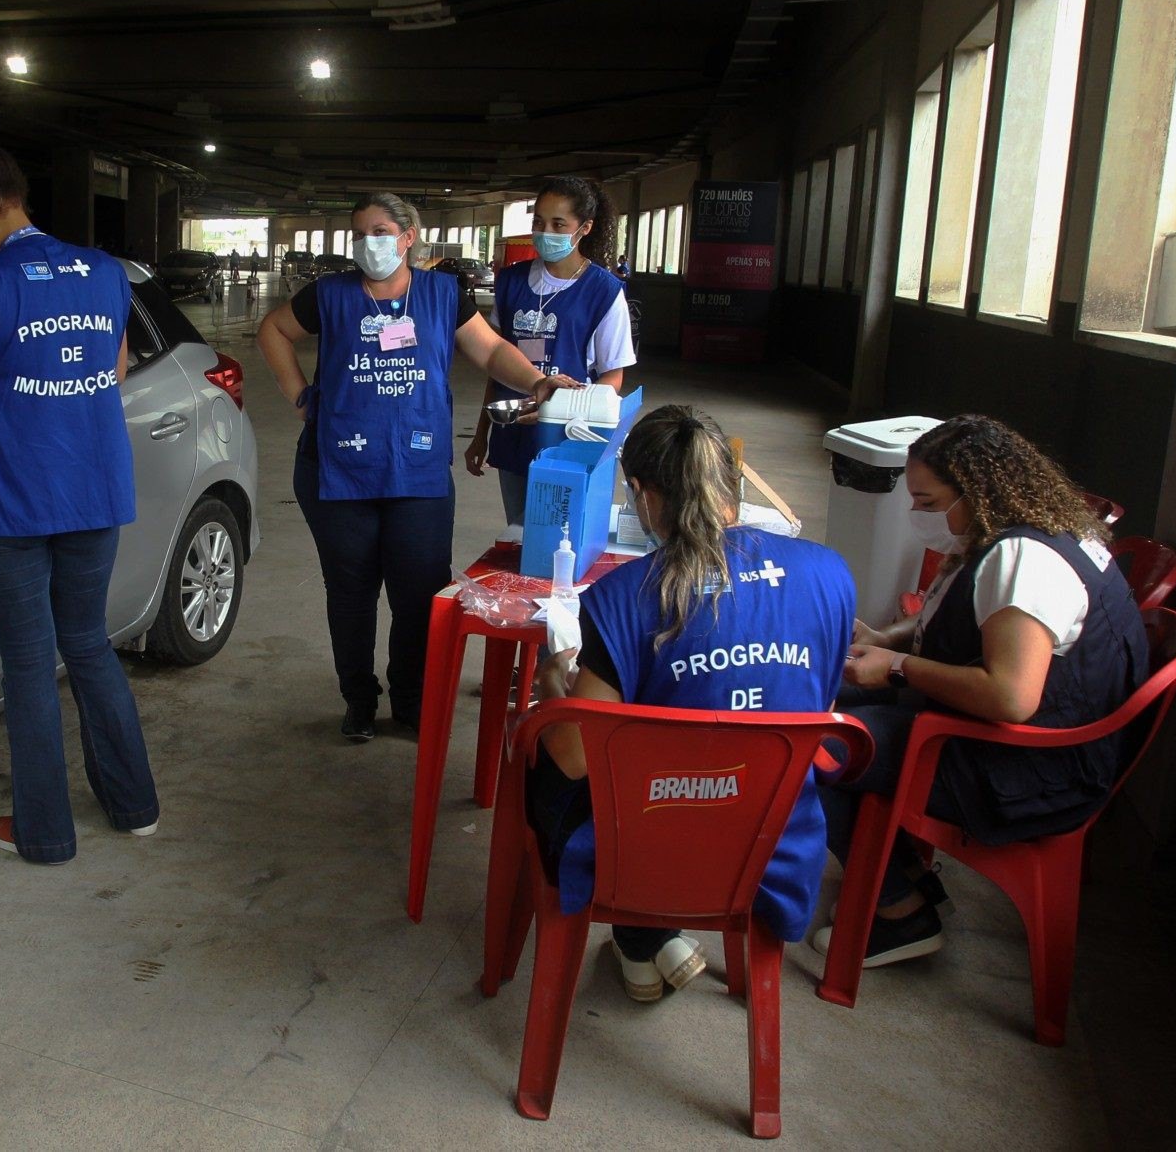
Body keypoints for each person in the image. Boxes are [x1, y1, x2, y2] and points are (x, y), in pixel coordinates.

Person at [529, 405, 855, 1001]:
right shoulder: (828, 574)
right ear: (731, 480)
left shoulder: (624, 596)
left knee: (543, 767)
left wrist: (551, 685)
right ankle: (649, 943)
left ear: (643, 495)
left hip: (646, 846)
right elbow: (817, 699)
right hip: (773, 841)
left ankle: (640, 937)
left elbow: (574, 756)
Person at [0, 94, 158, 865]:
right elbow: (112, 370)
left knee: (27, 662)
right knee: (87, 643)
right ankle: (134, 806)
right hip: (92, 487)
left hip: (10, 497)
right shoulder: (105, 271)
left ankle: (46, 833)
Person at [820, 415, 1149, 966]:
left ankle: (901, 915)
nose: (917, 515)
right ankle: (901, 873)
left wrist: (898, 665)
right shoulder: (1028, 524)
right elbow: (966, 610)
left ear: (975, 491)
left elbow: (1011, 697)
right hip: (1023, 737)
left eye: (927, 503)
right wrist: (888, 638)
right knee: (819, 695)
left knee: (814, 745)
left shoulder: (1024, 561)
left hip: (1031, 769)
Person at [256, 190, 579, 742]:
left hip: (418, 471)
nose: (368, 243)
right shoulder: (329, 294)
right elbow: (273, 331)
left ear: (408, 237)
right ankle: (358, 700)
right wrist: (300, 396)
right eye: (360, 233)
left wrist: (536, 380)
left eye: (381, 231)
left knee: (417, 593)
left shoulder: (442, 294)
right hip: (339, 470)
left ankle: (409, 700)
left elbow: (491, 349)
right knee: (350, 592)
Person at [464, 176, 635, 525]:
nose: (546, 232)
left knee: (557, 539)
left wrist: (568, 408)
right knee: (518, 533)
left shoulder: (603, 291)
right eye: (539, 222)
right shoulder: (511, 282)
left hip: (568, 438)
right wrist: (482, 434)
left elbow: (612, 377)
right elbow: (496, 363)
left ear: (584, 228)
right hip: (513, 435)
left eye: (559, 224)